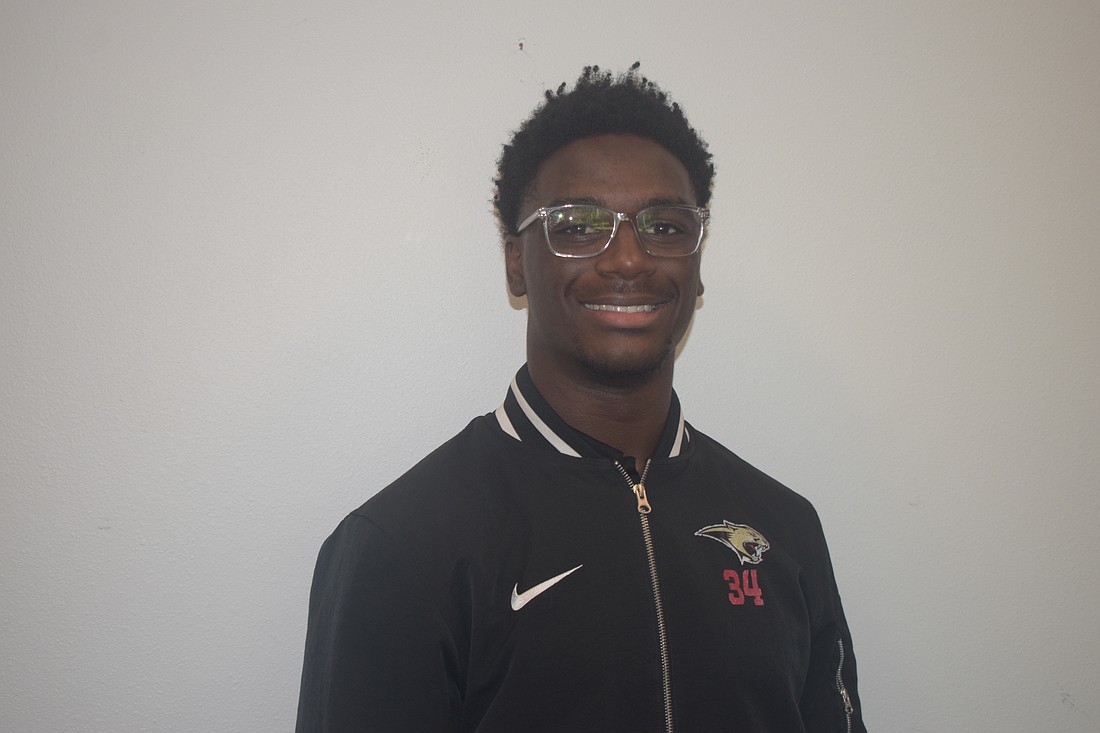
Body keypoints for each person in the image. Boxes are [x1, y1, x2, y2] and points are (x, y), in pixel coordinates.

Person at [295, 64, 866, 733]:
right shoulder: (402, 546)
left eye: (664, 225)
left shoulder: (784, 528)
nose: (627, 257)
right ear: (516, 261)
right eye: (576, 224)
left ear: (697, 256)